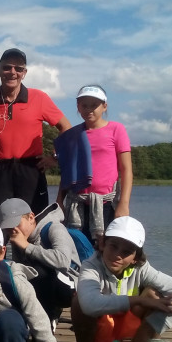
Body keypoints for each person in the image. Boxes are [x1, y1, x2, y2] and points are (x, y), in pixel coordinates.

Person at [68, 216, 172, 342]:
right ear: (102, 244)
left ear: (136, 257)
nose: (117, 255)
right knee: (79, 300)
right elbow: (90, 305)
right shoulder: (90, 266)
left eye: (127, 251)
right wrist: (138, 300)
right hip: (99, 330)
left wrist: (147, 330)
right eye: (113, 246)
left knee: (154, 295)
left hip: (134, 337)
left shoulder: (142, 269)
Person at [0, 48, 71, 215]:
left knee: (34, 219)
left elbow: (66, 128)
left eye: (18, 68)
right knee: (0, 221)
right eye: (7, 67)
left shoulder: (38, 98)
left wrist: (55, 157)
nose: (12, 72)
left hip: (30, 170)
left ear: (24, 73)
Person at [55, 85, 133, 242]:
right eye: (84, 105)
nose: (89, 110)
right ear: (78, 107)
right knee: (77, 248)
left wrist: (123, 204)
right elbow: (68, 172)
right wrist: (59, 201)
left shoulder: (116, 129)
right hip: (77, 204)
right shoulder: (73, 135)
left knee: (105, 248)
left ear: (104, 106)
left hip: (107, 205)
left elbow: (126, 170)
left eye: (94, 105)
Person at [0, 198, 79, 326]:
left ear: (31, 217)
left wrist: (27, 246)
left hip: (70, 287)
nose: (13, 230)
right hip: (42, 286)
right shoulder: (16, 237)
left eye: (16, 224)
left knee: (39, 270)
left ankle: (48, 319)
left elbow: (63, 261)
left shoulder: (54, 228)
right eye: (8, 227)